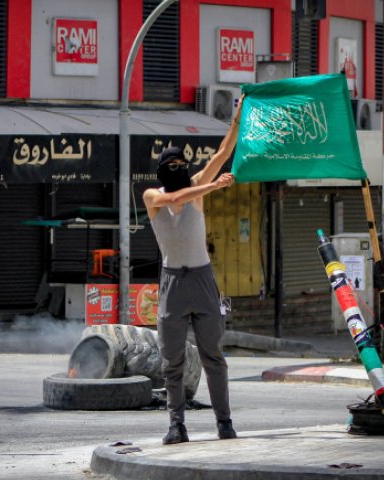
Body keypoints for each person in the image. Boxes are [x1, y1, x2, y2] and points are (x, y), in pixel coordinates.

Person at [143, 97, 243, 445]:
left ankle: (224, 422)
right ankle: (176, 426)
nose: (177, 168)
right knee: (171, 361)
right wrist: (213, 187)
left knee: (212, 355)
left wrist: (236, 121)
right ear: (161, 169)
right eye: (171, 164)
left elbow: (221, 154)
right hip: (172, 281)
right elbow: (174, 200)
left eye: (181, 163)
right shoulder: (152, 195)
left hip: (202, 278)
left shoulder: (198, 184)